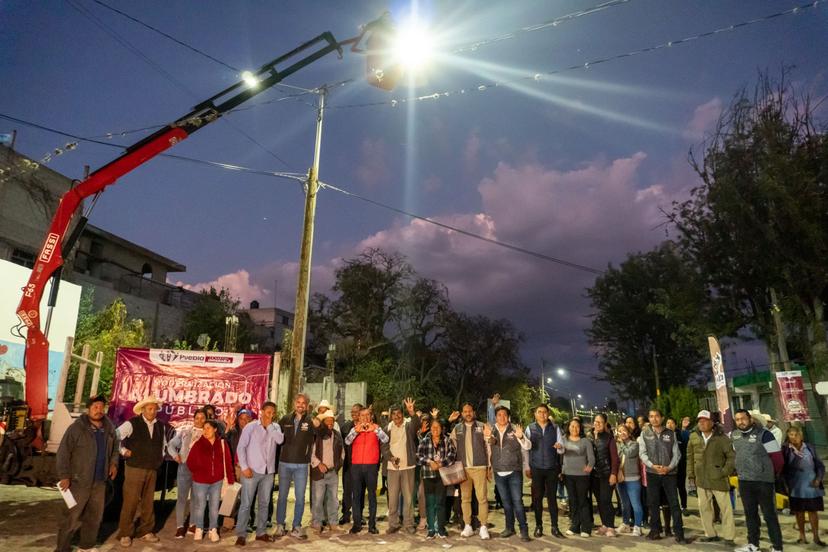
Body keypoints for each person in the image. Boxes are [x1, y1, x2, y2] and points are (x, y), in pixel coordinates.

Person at [55, 395, 119, 552]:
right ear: (88, 409)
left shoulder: (108, 427)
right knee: (71, 517)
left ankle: (87, 546)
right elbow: (63, 452)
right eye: (95, 407)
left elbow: (115, 447)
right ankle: (62, 548)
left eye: (101, 407)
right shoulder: (76, 428)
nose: (98, 410)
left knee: (95, 517)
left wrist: (113, 463)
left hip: (99, 482)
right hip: (78, 481)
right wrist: (64, 476)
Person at [116, 395, 167, 547]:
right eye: (149, 408)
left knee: (148, 501)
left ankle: (146, 531)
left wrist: (160, 458)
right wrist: (124, 451)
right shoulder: (132, 423)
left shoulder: (160, 426)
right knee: (130, 501)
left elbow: (162, 444)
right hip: (134, 468)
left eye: (154, 409)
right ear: (143, 409)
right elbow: (114, 436)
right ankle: (125, 533)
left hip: (152, 469)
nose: (152, 411)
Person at [732, 409, 784, 552]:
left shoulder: (765, 434)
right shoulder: (735, 435)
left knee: (769, 515)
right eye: (737, 419)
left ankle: (777, 547)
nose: (740, 422)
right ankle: (753, 545)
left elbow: (777, 458)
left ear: (751, 419)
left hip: (763, 482)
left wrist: (770, 474)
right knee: (750, 515)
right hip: (744, 481)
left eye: (743, 418)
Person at [234, 401, 284, 546]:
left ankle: (261, 532)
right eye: (267, 411)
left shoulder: (275, 427)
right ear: (261, 411)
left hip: (268, 472)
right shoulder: (250, 427)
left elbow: (280, 440)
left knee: (264, 503)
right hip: (251, 471)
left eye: (272, 412)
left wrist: (269, 426)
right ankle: (241, 534)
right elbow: (241, 447)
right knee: (246, 503)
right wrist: (244, 467)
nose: (270, 414)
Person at [686, 409, 736, 545]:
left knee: (725, 509)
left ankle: (729, 536)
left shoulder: (722, 438)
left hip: (718, 478)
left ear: (712, 422)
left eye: (705, 421)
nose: (701, 424)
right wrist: (691, 475)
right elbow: (689, 457)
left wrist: (724, 472)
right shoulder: (694, 437)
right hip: (701, 479)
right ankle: (710, 533)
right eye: (699, 421)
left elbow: (731, 457)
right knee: (704, 508)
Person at [637, 408, 686, 544]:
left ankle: (679, 534)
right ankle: (655, 531)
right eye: (651, 416)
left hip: (669, 474)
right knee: (653, 504)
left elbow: (677, 454)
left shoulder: (671, 434)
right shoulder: (644, 433)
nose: (654, 419)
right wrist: (652, 465)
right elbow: (642, 453)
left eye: (657, 416)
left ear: (662, 418)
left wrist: (669, 467)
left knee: (674, 504)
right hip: (652, 473)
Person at [275, 393, 316, 539]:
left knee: (300, 497)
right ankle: (280, 525)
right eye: (298, 402)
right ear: (294, 404)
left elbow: (320, 435)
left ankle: (296, 526)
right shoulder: (285, 419)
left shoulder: (311, 421)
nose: (300, 405)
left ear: (307, 405)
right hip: (284, 463)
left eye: (303, 403)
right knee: (282, 496)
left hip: (302, 465)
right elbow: (275, 436)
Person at [487, 405, 532, 542]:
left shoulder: (514, 429)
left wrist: (521, 437)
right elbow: (488, 450)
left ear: (508, 416)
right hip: (498, 472)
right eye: (499, 415)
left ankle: (524, 530)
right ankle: (509, 528)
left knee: (517, 502)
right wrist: (489, 468)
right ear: (496, 416)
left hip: (514, 472)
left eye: (504, 415)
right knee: (506, 503)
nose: (502, 417)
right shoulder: (491, 430)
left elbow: (528, 446)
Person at [186, 419, 235, 542]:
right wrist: (199, 471)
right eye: (204, 428)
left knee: (214, 506)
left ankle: (213, 529)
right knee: (200, 506)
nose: (205, 431)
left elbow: (228, 462)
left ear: (215, 429)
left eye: (208, 428)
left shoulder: (222, 444)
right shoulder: (198, 444)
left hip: (216, 481)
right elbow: (190, 462)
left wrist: (231, 479)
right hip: (200, 481)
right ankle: (199, 529)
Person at [345, 407, 389, 534]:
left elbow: (386, 439)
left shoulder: (376, 428)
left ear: (371, 416)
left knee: (372, 496)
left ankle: (372, 525)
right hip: (356, 466)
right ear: (358, 417)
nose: (365, 418)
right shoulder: (355, 429)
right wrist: (356, 432)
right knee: (356, 496)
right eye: (362, 415)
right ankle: (357, 524)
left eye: (367, 415)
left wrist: (376, 430)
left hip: (371, 466)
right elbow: (347, 441)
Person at [450, 402, 491, 540]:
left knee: (482, 498)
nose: (468, 413)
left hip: (480, 467)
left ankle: (483, 526)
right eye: (465, 411)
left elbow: (488, 447)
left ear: (473, 412)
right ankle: (468, 526)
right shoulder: (457, 428)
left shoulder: (481, 426)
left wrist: (489, 467)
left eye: (470, 411)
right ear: (462, 413)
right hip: (464, 468)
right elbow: (451, 447)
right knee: (465, 499)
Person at [523, 403, 564, 538]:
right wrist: (527, 467)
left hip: (552, 468)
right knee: (537, 499)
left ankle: (555, 527)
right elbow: (526, 449)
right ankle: (538, 526)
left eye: (545, 412)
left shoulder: (555, 428)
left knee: (552, 499)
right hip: (537, 468)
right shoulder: (530, 428)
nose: (542, 414)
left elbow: (562, 448)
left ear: (548, 413)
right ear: (535, 414)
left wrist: (559, 447)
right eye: (539, 412)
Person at [782, 425, 824, 546]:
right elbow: (782, 468)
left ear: (801, 436)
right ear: (788, 437)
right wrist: (785, 484)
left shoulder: (809, 448)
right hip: (795, 486)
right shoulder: (786, 450)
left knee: (813, 511)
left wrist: (818, 478)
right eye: (791, 435)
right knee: (799, 512)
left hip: (812, 485)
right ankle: (802, 536)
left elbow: (820, 465)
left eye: (796, 435)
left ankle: (816, 537)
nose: (794, 437)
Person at [168, 409, 206, 538]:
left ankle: (193, 525)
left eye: (202, 418)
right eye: (197, 418)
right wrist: (175, 456)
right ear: (193, 419)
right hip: (184, 467)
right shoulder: (185, 432)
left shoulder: (208, 432)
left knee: (196, 499)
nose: (199, 421)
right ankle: (179, 527)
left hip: (200, 470)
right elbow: (171, 445)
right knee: (182, 498)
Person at [383, 398, 419, 535]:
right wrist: (391, 458)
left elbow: (416, 424)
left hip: (408, 467)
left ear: (402, 414)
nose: (397, 416)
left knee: (409, 498)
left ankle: (409, 524)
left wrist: (412, 412)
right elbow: (384, 447)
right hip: (392, 469)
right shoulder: (387, 428)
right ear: (391, 416)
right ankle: (393, 524)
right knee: (392, 498)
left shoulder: (408, 425)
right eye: (394, 414)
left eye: (399, 413)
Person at [417, 417, 457, 539]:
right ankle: (430, 530)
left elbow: (452, 455)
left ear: (442, 429)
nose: (435, 429)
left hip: (442, 476)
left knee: (440, 502)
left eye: (438, 427)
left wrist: (440, 464)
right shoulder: (424, 440)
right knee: (430, 503)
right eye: (433, 427)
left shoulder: (447, 440)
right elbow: (418, 456)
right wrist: (430, 462)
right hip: (428, 475)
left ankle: (440, 528)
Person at [310, 410, 345, 535]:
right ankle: (317, 523)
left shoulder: (337, 435)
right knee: (318, 499)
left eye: (332, 420)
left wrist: (337, 466)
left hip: (333, 472)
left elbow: (342, 453)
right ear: (324, 422)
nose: (330, 422)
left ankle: (333, 523)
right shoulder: (317, 435)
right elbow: (311, 453)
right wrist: (319, 464)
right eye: (327, 420)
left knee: (333, 500)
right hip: (319, 473)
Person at [562, 417, 594, 537]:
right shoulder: (564, 440)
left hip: (582, 476)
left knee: (583, 501)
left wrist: (589, 467)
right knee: (572, 500)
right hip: (568, 475)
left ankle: (586, 527)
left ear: (580, 428)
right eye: (572, 426)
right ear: (568, 427)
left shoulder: (585, 441)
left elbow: (591, 458)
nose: (574, 428)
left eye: (577, 426)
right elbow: (560, 455)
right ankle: (575, 525)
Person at [590, 413, 619, 537]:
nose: (597, 424)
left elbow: (615, 459)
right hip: (594, 475)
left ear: (605, 424)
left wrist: (613, 473)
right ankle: (604, 525)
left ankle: (611, 526)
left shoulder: (609, 438)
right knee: (600, 501)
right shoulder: (589, 436)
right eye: (595, 421)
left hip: (607, 474)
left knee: (606, 500)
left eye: (600, 422)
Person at [615, 424, 643, 536]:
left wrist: (621, 443)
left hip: (633, 479)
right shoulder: (617, 445)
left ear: (629, 432)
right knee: (624, 504)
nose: (622, 433)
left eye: (624, 431)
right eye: (619, 431)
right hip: (620, 478)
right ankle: (625, 524)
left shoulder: (635, 444)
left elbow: (629, 453)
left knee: (635, 504)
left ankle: (637, 526)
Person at [339, 403, 363, 525]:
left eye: (356, 412)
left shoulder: (366, 426)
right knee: (347, 490)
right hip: (348, 464)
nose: (354, 414)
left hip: (362, 464)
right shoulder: (346, 427)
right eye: (352, 412)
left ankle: (359, 515)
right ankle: (346, 514)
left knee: (360, 490)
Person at [667, 416, 690, 515]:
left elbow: (686, 449)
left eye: (672, 423)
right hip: (669, 467)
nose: (669, 425)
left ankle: (684, 506)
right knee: (671, 489)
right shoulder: (664, 436)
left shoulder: (681, 434)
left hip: (680, 466)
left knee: (681, 487)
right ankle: (674, 507)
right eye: (668, 423)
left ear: (676, 425)